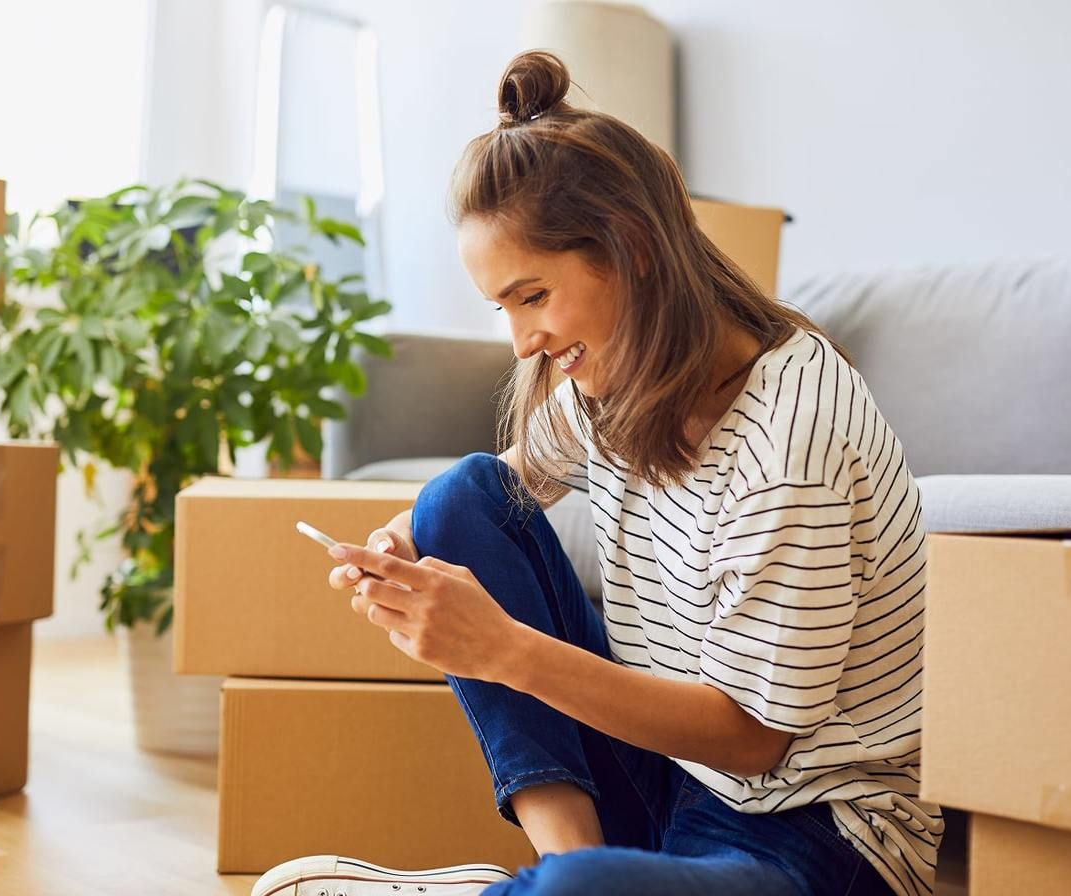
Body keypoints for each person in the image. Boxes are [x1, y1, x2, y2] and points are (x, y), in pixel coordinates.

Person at [252, 50, 943, 896]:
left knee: (585, 895)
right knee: (455, 497)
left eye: (533, 297)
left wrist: (502, 648)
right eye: (504, 308)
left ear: (632, 249)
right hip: (673, 783)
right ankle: (566, 864)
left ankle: (556, 887)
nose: (523, 344)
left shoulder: (790, 441)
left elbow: (755, 742)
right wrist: (404, 549)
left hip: (817, 836)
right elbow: (496, 493)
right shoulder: (614, 383)